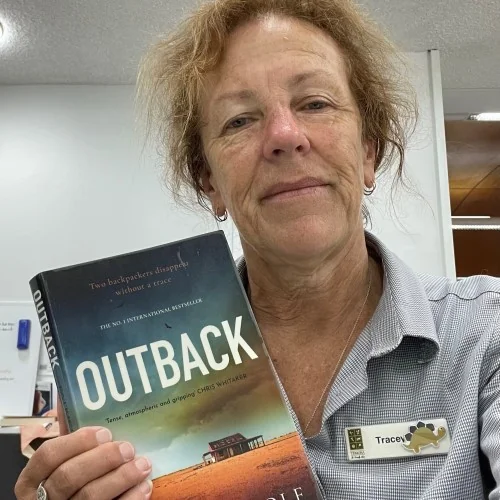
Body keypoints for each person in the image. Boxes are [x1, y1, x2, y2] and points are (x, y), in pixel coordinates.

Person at [15, 0, 500, 498]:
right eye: (240, 121)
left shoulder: (487, 331)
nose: (285, 136)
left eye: (315, 103)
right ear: (210, 183)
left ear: (368, 152)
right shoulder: (142, 386)